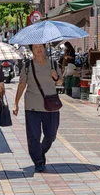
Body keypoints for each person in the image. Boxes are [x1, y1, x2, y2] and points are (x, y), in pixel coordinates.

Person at [13, 43, 63, 173]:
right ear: (32, 51)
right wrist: (16, 102)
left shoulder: (53, 64)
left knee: (51, 135)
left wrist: (55, 76)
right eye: (35, 48)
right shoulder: (28, 66)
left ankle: (40, 152)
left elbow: (60, 82)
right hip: (32, 106)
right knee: (34, 136)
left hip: (51, 106)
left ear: (45, 48)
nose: (39, 49)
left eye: (41, 46)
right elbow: (22, 84)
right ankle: (38, 161)